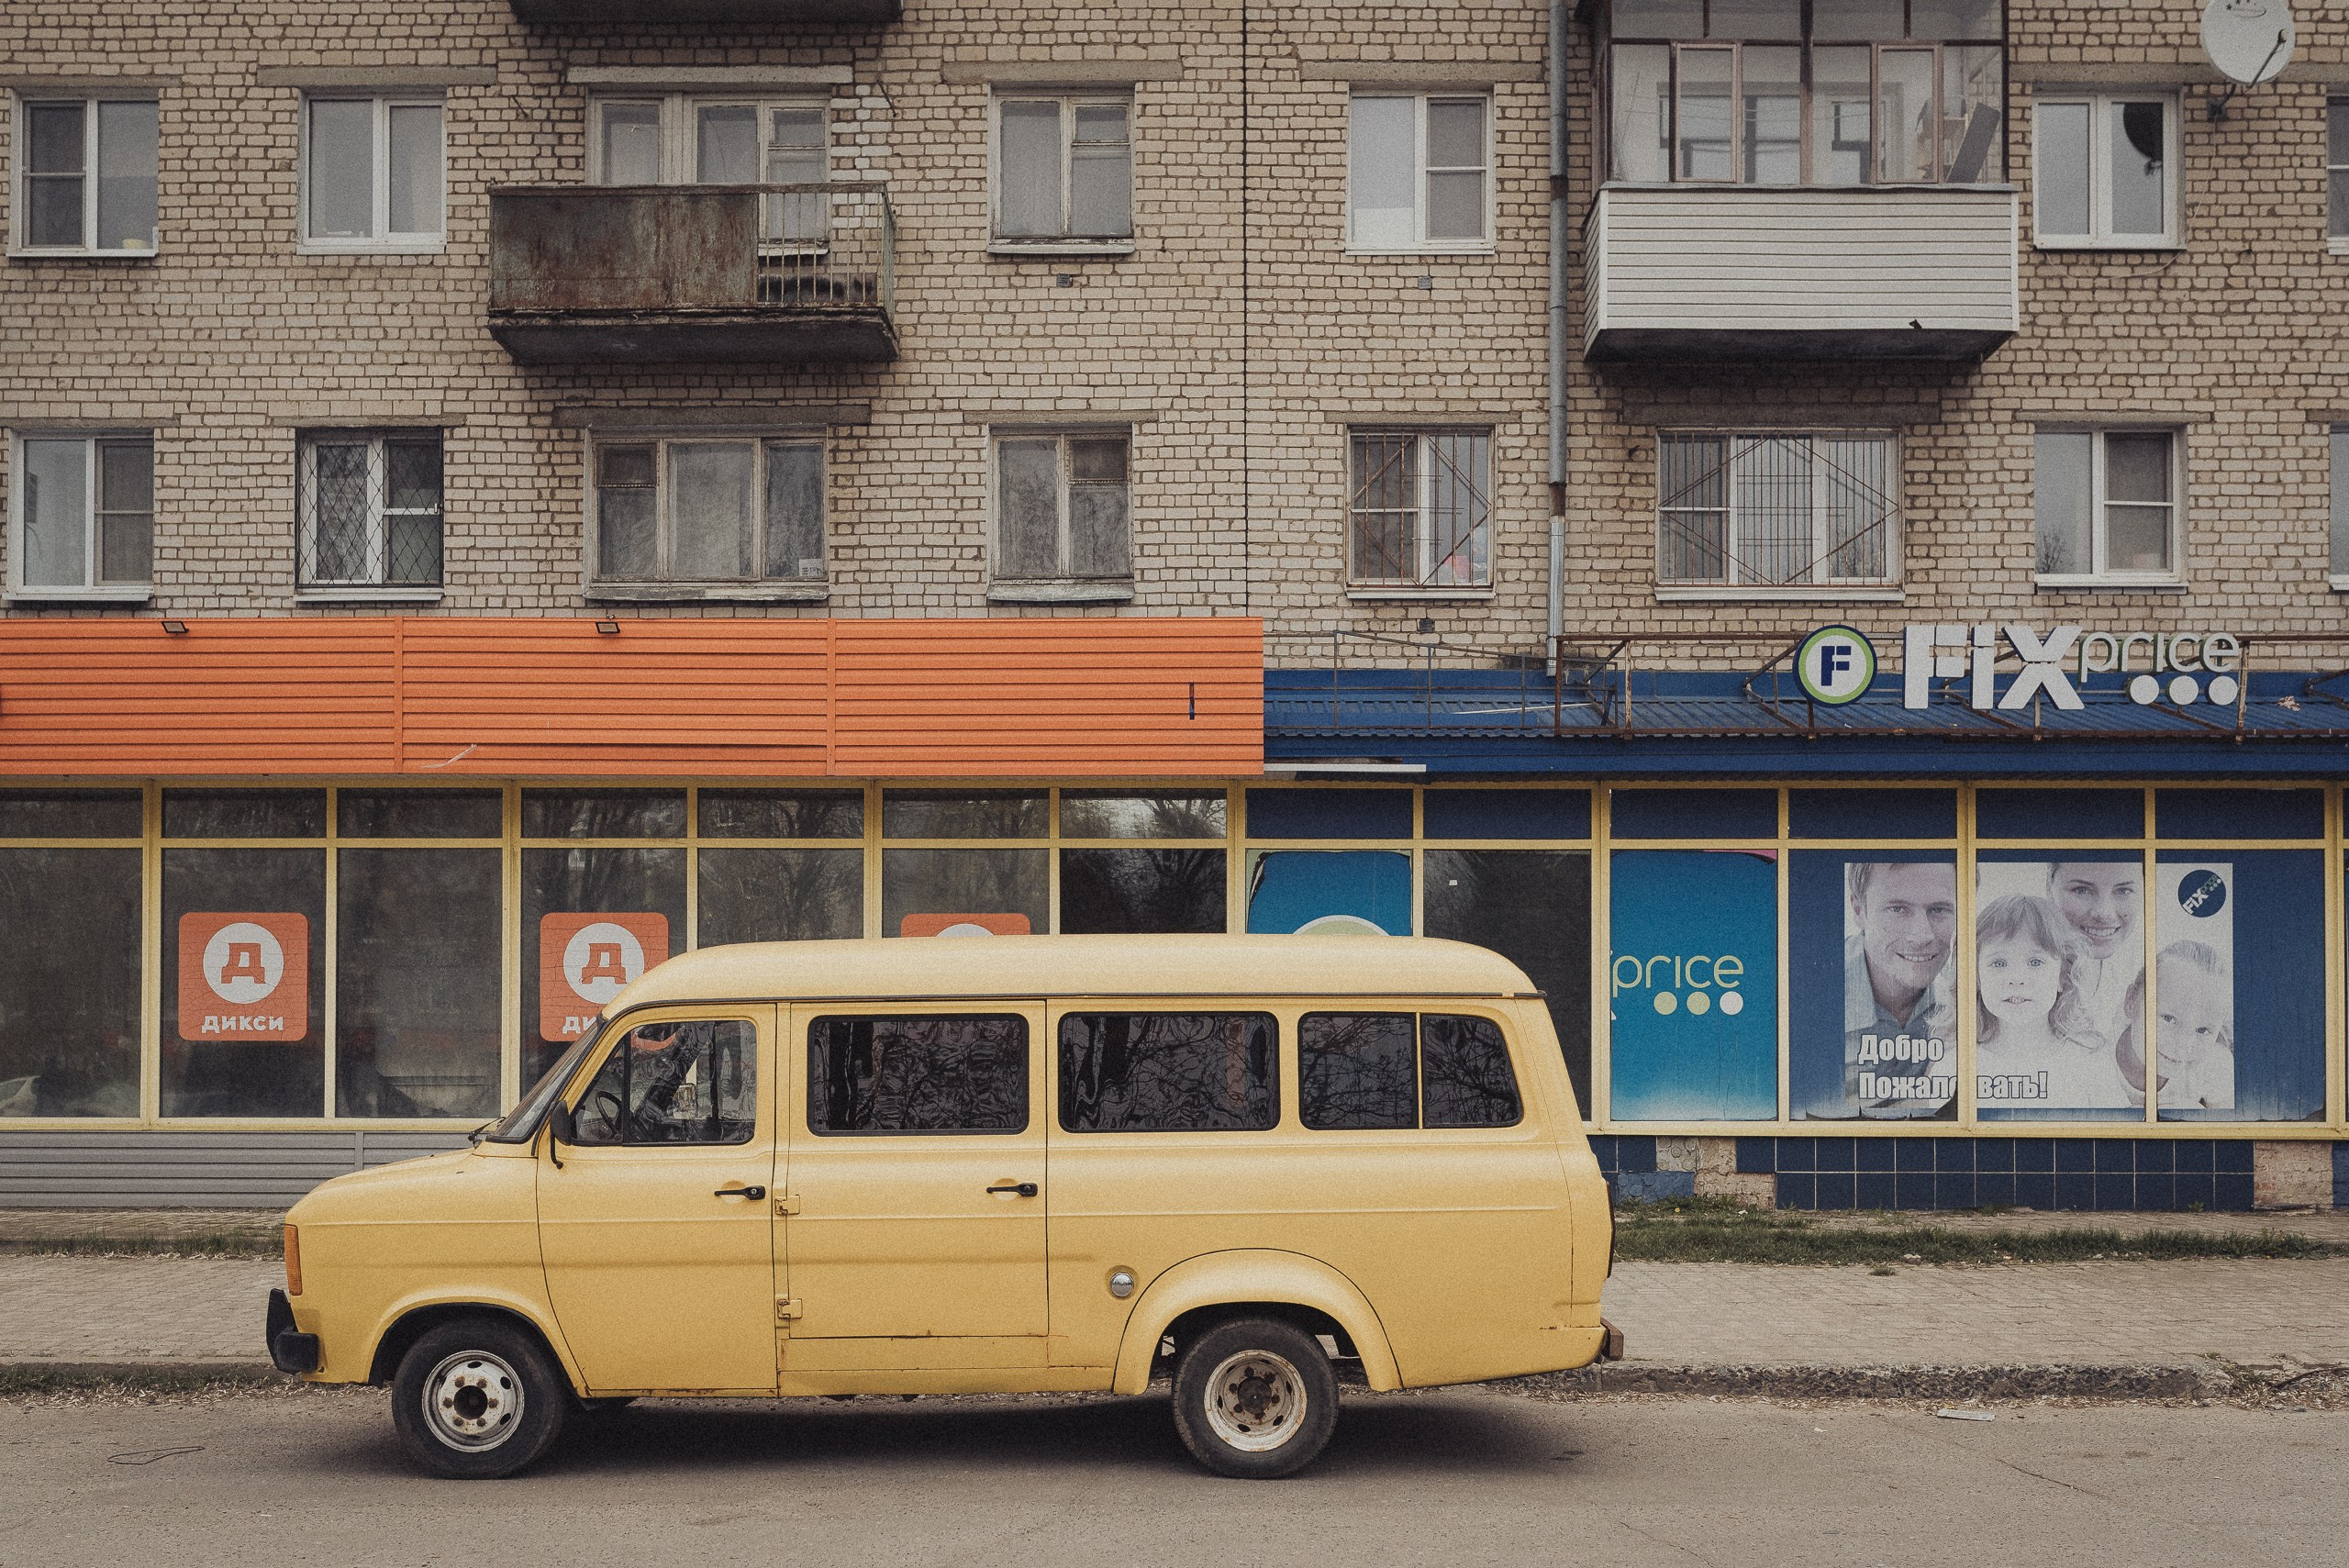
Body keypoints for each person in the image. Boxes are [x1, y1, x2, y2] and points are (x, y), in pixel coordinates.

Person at [1974, 895, 2129, 1110]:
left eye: (2035, 962)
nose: (2017, 978)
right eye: (1999, 963)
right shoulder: (1955, 1064)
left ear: (2063, 977)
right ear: (1976, 977)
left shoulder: (2090, 1062)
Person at [1842, 862, 1958, 1117]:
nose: (1921, 936)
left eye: (1939, 910)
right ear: (1858, 910)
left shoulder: (1973, 996)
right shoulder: (1803, 998)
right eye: (1897, 909)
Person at [2116, 940, 2236, 1112]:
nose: (2183, 1043)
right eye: (2168, 1018)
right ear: (2131, 1002)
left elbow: (2232, 1126)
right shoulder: (2088, 1059)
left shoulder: (2215, 1064)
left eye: (2202, 1030)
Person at [2047, 861, 2144, 1048]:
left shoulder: (2143, 966)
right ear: (2049, 889)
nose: (2103, 913)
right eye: (2081, 890)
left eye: (2123, 891)